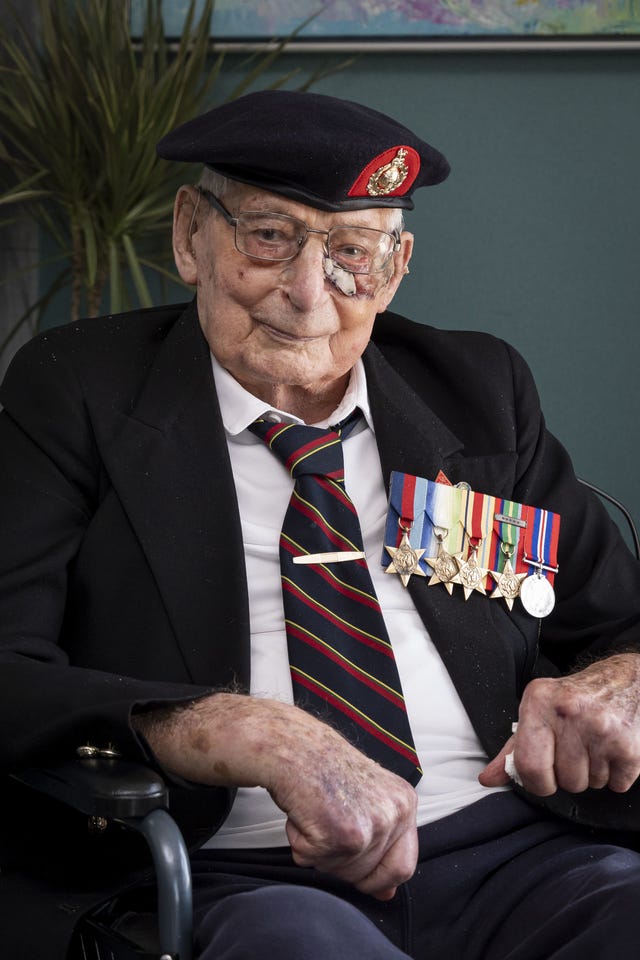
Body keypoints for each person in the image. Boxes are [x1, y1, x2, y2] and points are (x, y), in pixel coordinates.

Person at [1, 89, 639, 960]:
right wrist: (247, 731)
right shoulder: (77, 392)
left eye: (351, 252)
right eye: (269, 237)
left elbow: (621, 623)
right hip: (245, 872)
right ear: (191, 235)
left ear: (399, 265)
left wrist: (624, 682)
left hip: (516, 848)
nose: (308, 295)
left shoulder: (479, 390)